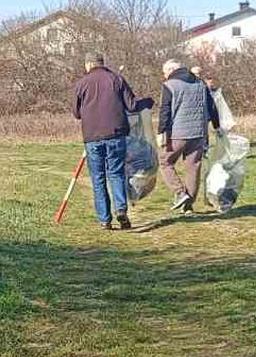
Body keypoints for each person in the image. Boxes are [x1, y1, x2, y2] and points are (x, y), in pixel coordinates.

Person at [72, 53, 144, 231]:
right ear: (102, 63)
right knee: (116, 173)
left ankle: (105, 219)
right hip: (116, 133)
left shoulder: (81, 84)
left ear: (88, 65)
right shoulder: (117, 79)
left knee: (98, 177)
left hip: (92, 136)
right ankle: (121, 209)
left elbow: (76, 113)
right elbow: (132, 105)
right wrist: (147, 103)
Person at [156, 58, 220, 212]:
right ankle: (188, 205)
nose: (164, 76)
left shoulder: (169, 85)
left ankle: (179, 192)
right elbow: (211, 106)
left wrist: (161, 132)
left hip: (178, 133)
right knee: (193, 167)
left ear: (171, 70)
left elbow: (165, 110)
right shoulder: (200, 83)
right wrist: (217, 126)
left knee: (165, 161)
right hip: (199, 132)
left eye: (165, 72)